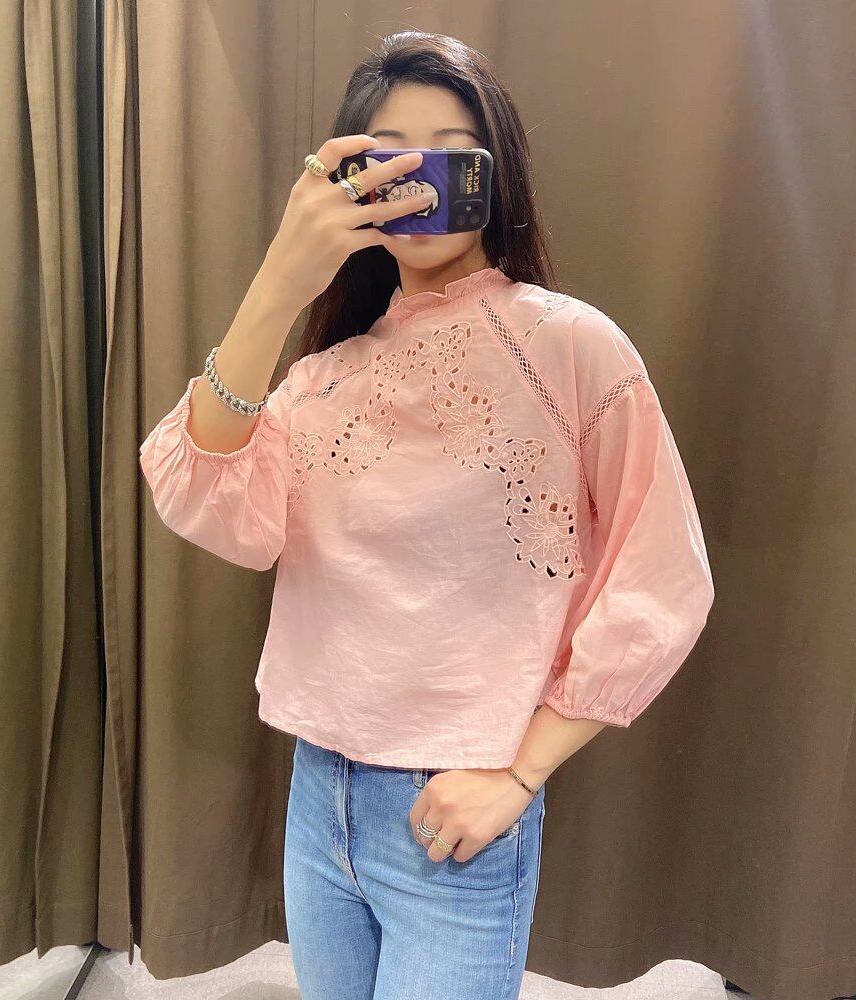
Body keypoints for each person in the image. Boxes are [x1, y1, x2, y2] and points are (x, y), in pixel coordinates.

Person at [138, 30, 715, 1000]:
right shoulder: (324, 378)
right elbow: (205, 499)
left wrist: (520, 773)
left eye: (451, 155)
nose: (418, 182)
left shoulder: (568, 347)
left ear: (497, 172)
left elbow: (661, 576)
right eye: (387, 160)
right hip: (318, 792)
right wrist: (279, 283)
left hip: (456, 810)